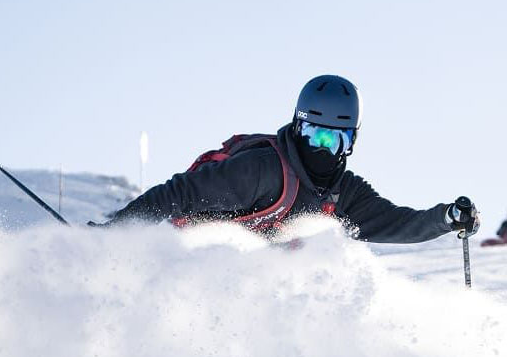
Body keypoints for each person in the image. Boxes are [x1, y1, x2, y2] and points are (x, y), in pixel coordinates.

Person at [106, 75, 479, 243]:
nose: (319, 147)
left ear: (351, 142)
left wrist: (445, 218)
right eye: (312, 134)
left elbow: (395, 223)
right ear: (297, 126)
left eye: (334, 139)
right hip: (183, 262)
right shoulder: (263, 170)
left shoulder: (342, 193)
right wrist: (114, 232)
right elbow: (181, 193)